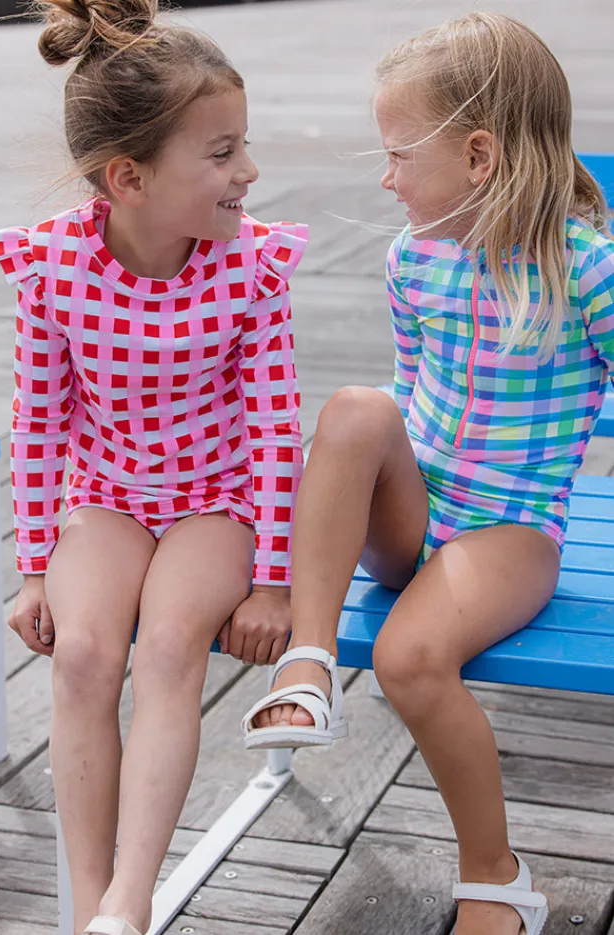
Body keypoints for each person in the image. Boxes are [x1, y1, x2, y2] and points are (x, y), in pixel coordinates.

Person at [242, 12, 614, 935]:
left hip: (509, 530)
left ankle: (496, 873)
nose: (387, 178)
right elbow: (407, 396)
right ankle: (309, 659)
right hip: (416, 511)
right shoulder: (412, 257)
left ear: (479, 156)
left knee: (410, 660)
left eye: (400, 156)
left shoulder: (587, 269)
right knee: (356, 407)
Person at [0, 2, 306, 933]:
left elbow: (276, 430)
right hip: (107, 495)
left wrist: (274, 581)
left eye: (243, 146)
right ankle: (90, 909)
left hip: (219, 498)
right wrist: (35, 566)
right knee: (84, 653)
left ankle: (129, 900)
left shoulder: (250, 269)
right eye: (222, 153)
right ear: (129, 178)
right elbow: (39, 422)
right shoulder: (53, 267)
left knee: (170, 646)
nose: (248, 172)